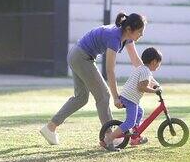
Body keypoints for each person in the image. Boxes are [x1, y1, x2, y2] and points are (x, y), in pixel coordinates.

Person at [40, 12, 147, 145]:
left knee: (81, 98)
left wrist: (149, 78)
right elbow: (110, 70)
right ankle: (109, 136)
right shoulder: (114, 37)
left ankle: (50, 128)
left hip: (77, 55)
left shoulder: (127, 36)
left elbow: (136, 61)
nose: (142, 35)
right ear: (129, 29)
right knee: (104, 95)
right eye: (140, 31)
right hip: (81, 57)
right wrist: (115, 97)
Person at [102, 47, 162, 151]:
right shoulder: (145, 71)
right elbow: (141, 87)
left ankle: (135, 136)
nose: (159, 65)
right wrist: (154, 91)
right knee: (129, 122)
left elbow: (150, 80)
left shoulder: (142, 68)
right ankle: (108, 140)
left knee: (140, 111)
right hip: (130, 99)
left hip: (126, 96)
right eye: (159, 63)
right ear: (154, 62)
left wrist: (156, 85)